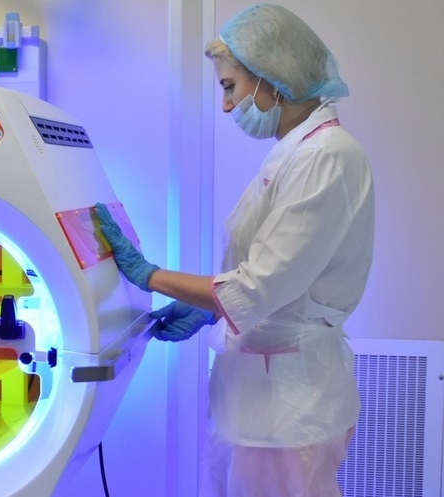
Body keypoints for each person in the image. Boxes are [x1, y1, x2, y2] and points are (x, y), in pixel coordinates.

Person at [96, 3, 374, 496]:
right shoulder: (297, 151)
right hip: (261, 397)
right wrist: (210, 309)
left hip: (285, 408)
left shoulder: (323, 157)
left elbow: (255, 288)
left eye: (230, 86)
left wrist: (148, 275)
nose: (226, 105)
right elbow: (276, 274)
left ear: (273, 77)